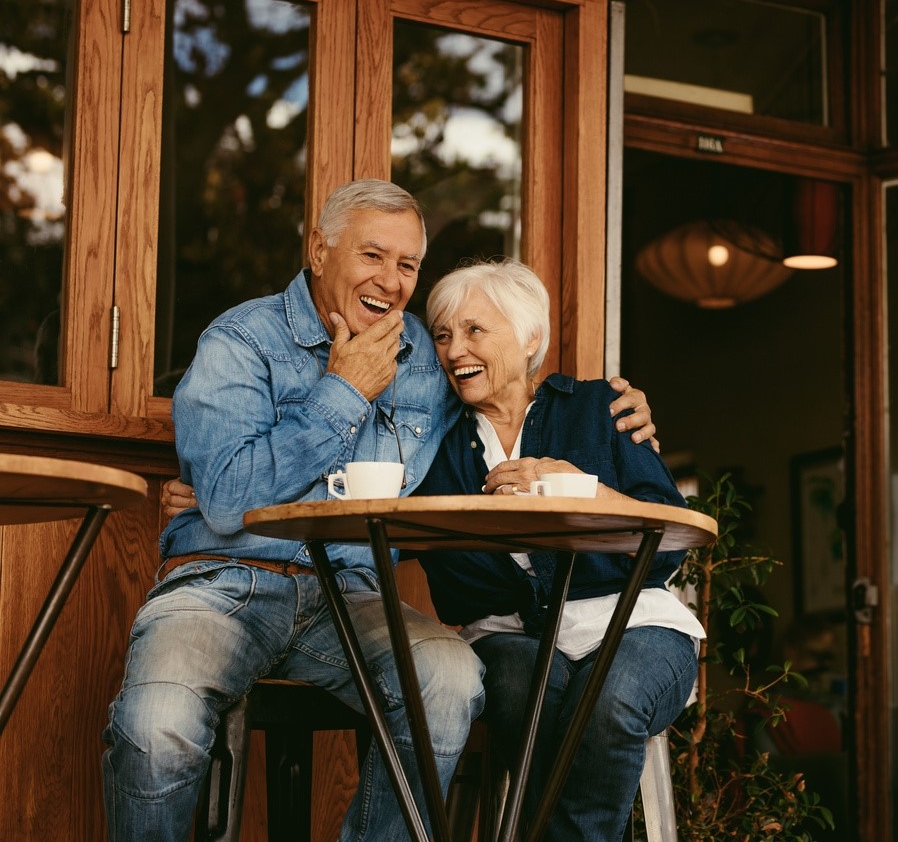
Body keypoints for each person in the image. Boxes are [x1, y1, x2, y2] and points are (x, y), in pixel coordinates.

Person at [105, 179, 657, 842]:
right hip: (227, 580)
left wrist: (606, 408)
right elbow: (224, 499)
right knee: (156, 721)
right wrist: (343, 391)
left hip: (353, 596)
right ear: (319, 248)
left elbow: (506, 392)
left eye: (408, 265)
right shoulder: (241, 341)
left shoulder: (427, 354)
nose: (392, 281)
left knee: (451, 683)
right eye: (373, 256)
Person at [412, 259, 705, 842]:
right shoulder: (435, 444)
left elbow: (667, 545)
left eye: (475, 330)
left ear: (530, 339)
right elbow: (450, 580)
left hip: (635, 625)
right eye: (442, 335)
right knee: (530, 697)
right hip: (509, 635)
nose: (453, 350)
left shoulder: (600, 408)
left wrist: (584, 489)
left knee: (611, 700)